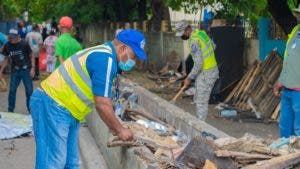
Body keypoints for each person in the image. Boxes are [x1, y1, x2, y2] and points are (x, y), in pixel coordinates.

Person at [29, 29, 147, 169]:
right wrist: (120, 129)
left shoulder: (105, 56)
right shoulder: (105, 59)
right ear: (123, 48)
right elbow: (102, 104)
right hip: (53, 105)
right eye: (133, 56)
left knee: (70, 164)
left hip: (67, 110)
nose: (134, 61)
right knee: (53, 164)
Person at [175, 20, 219, 121]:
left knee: (201, 102)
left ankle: (200, 128)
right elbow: (214, 47)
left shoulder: (193, 41)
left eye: (182, 34)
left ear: (187, 30)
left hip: (206, 73)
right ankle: (199, 120)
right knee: (198, 97)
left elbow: (199, 63)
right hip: (211, 70)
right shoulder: (201, 33)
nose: (182, 36)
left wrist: (189, 78)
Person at [274, 5, 300, 138]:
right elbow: (289, 58)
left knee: (298, 130)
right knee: (285, 127)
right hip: (288, 88)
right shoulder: (296, 30)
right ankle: (285, 156)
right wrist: (281, 81)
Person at [0, 29, 35, 112]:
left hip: (26, 70)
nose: (10, 40)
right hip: (15, 70)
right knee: (12, 90)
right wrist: (1, 71)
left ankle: (30, 110)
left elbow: (32, 55)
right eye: (9, 38)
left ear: (18, 37)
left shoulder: (24, 44)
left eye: (12, 38)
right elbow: (6, 58)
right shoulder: (8, 45)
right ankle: (10, 110)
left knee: (29, 91)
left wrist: (33, 68)